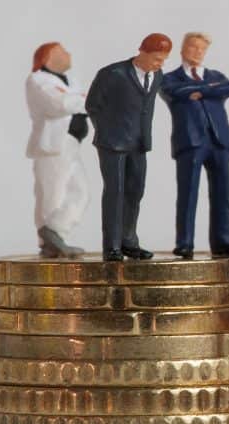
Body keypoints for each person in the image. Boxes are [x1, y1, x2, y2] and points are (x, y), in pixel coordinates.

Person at [159, 32, 229, 258]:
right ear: (183, 49)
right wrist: (211, 89)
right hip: (191, 141)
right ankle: (185, 241)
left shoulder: (215, 75)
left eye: (202, 48)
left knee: (222, 194)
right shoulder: (170, 78)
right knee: (188, 194)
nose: (197, 52)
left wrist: (202, 90)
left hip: (218, 140)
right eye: (193, 47)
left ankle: (223, 239)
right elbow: (176, 93)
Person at [86, 33, 172, 261]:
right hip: (113, 143)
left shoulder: (157, 75)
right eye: (157, 58)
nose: (160, 64)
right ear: (142, 51)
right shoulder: (113, 73)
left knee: (135, 191)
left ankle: (129, 241)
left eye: (163, 59)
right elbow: (93, 105)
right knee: (115, 192)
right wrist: (107, 131)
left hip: (139, 142)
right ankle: (112, 246)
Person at [25, 42, 89, 258]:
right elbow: (60, 104)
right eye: (63, 51)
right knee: (53, 192)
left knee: (81, 191)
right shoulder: (37, 80)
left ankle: (55, 231)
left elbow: (80, 100)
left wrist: (80, 99)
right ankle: (48, 242)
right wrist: (83, 99)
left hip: (71, 142)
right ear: (49, 57)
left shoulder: (70, 80)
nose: (69, 54)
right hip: (52, 145)